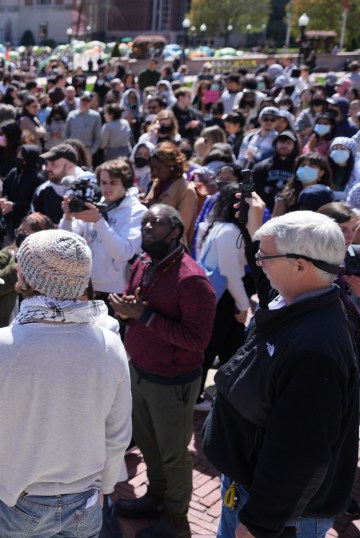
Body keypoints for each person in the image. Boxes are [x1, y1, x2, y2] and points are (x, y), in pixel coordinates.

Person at [0, 230, 132, 537]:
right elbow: (117, 433)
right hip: (84, 502)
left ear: (25, 277)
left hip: (13, 502)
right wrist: (108, 484)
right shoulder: (110, 344)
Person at [203, 209, 358, 538]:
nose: (257, 261)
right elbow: (267, 283)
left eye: (264, 256)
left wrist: (259, 522)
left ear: (300, 265)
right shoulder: (299, 301)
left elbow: (299, 452)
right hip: (251, 487)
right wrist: (253, 227)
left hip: (282, 515)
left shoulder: (314, 350)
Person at [110, 205, 216, 538]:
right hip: (140, 370)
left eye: (156, 222)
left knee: (173, 455)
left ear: (176, 231)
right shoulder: (144, 262)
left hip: (172, 381)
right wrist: (127, 312)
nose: (147, 227)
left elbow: (198, 341)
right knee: (147, 444)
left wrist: (144, 317)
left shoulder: (192, 279)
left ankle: (176, 518)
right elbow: (137, 303)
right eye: (144, 223)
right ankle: (155, 499)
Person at [193, 184, 251, 411]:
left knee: (228, 349)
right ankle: (203, 398)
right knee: (220, 349)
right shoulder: (230, 231)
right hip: (223, 300)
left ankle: (221, 395)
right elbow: (231, 274)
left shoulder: (218, 226)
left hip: (217, 297)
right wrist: (244, 305)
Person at [61, 159, 147, 299]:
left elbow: (124, 252)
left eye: (113, 183)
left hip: (116, 291)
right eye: (103, 182)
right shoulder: (95, 206)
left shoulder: (136, 211)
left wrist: (98, 221)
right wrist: (68, 217)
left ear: (125, 183)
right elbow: (66, 243)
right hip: (87, 287)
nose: (107, 188)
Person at [144, 142, 198, 247]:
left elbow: (180, 229)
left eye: (158, 168)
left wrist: (155, 207)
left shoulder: (186, 191)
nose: (154, 173)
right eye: (152, 168)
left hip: (171, 253)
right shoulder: (158, 183)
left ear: (171, 166)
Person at [30, 142, 91, 224]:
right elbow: (34, 221)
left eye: (53, 164)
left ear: (70, 166)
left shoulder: (89, 188)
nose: (48, 168)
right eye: (47, 163)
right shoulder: (43, 190)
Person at [65, 92, 102, 157]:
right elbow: (66, 133)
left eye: (87, 100)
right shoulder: (71, 114)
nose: (85, 102)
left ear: (90, 102)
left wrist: (92, 151)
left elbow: (98, 137)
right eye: (83, 100)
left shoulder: (96, 116)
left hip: (87, 149)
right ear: (79, 100)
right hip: (72, 149)